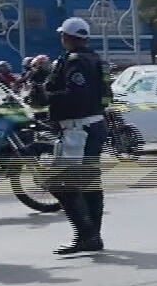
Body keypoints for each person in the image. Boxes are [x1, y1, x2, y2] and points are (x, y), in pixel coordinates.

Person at [42, 17, 111, 255]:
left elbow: (75, 95)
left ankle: (86, 234)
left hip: (78, 130)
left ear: (69, 37)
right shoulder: (95, 59)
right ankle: (93, 236)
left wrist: (48, 95)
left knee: (58, 182)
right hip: (93, 126)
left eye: (63, 35)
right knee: (90, 183)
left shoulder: (75, 61)